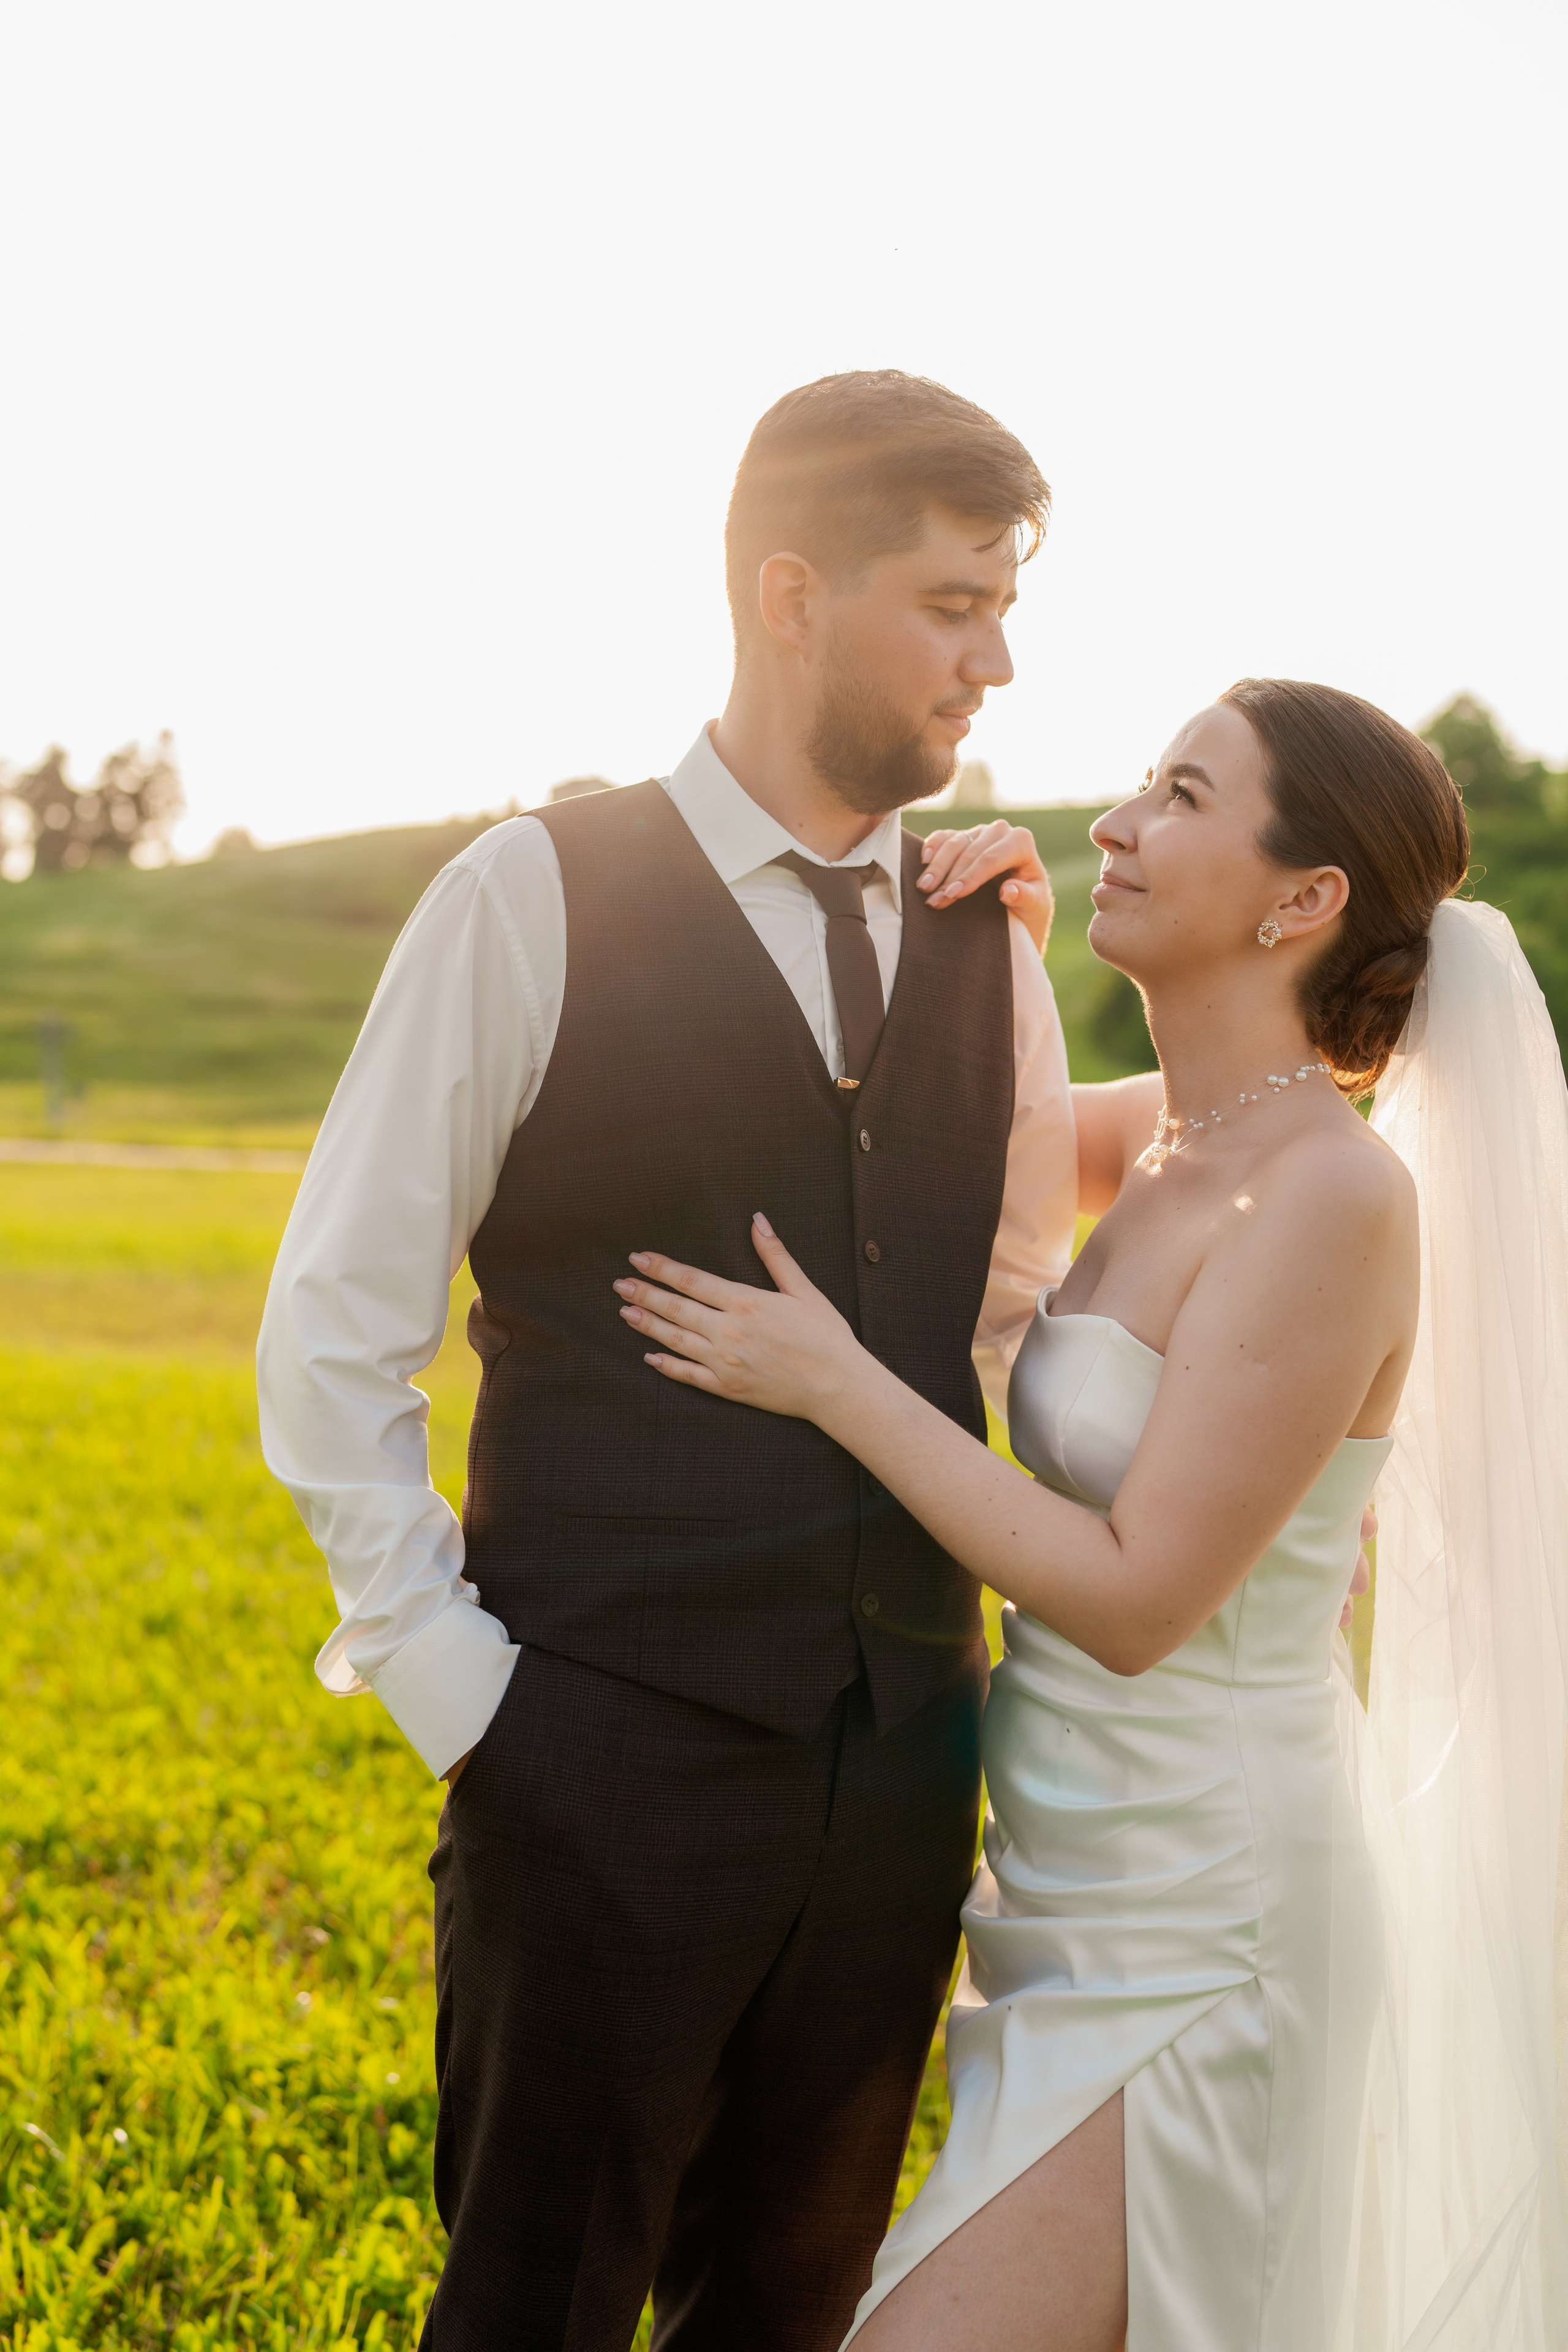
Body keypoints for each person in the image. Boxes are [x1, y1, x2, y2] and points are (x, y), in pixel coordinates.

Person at [258, 369, 1085, 2350]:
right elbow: (333, 1325)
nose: (994, 665)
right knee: (534, 2310)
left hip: (901, 1765)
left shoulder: (989, 935)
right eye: (951, 605)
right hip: (592, 1750)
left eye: (1009, 613)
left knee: (787, 2310)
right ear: (790, 595)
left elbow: (1001, 1307)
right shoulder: (529, 894)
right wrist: (469, 1698)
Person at [614, 678, 1568, 2349]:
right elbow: (958, 1147)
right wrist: (1005, 959)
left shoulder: (1334, 1198)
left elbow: (1136, 1600)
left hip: (1205, 1934)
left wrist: (839, 1384)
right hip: (1060, 1899)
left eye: (1182, 793)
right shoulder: (1168, 1142)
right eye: (1140, 781)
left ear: (1303, 898)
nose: (1118, 818)